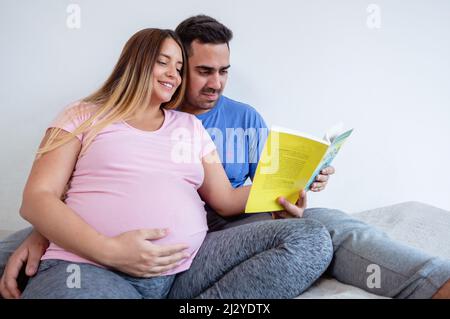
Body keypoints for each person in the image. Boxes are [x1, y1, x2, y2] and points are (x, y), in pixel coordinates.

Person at [2, 15, 450, 299]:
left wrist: (298, 182)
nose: (211, 82)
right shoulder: (94, 114)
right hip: (111, 250)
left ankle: (431, 280)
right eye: (194, 69)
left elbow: (235, 200)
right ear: (140, 61)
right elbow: (46, 195)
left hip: (209, 243)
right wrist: (56, 233)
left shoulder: (216, 123)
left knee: (323, 228)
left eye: (221, 71)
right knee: (17, 248)